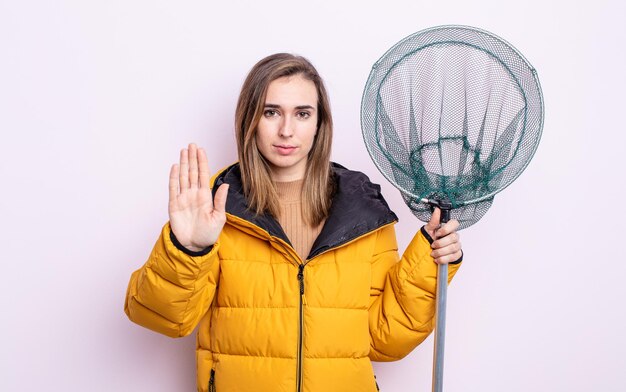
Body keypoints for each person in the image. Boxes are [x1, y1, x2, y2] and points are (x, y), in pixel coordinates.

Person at [124, 53, 463, 392]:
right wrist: (188, 249)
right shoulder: (215, 206)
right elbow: (163, 318)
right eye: (271, 112)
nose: (286, 130)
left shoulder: (363, 210)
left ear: (319, 123)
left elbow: (383, 339)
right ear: (250, 120)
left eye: (302, 114)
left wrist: (429, 264)